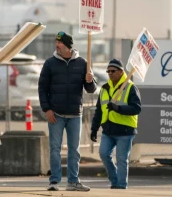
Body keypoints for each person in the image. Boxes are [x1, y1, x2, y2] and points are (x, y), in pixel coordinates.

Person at [38, 31, 97, 191]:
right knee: (55, 149)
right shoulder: (50, 63)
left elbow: (91, 89)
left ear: (68, 46)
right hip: (55, 114)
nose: (57, 45)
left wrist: (90, 81)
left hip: (75, 115)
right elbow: (42, 88)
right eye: (56, 42)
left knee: (74, 150)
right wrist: (47, 109)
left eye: (60, 43)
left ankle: (73, 181)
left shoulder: (83, 63)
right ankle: (54, 182)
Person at [90, 59, 141, 189]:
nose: (110, 73)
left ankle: (121, 186)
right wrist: (94, 129)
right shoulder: (105, 89)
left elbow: (137, 108)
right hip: (108, 130)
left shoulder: (130, 87)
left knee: (122, 159)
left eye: (113, 71)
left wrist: (118, 108)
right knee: (104, 154)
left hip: (125, 131)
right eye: (108, 71)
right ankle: (114, 181)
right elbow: (99, 111)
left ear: (120, 71)